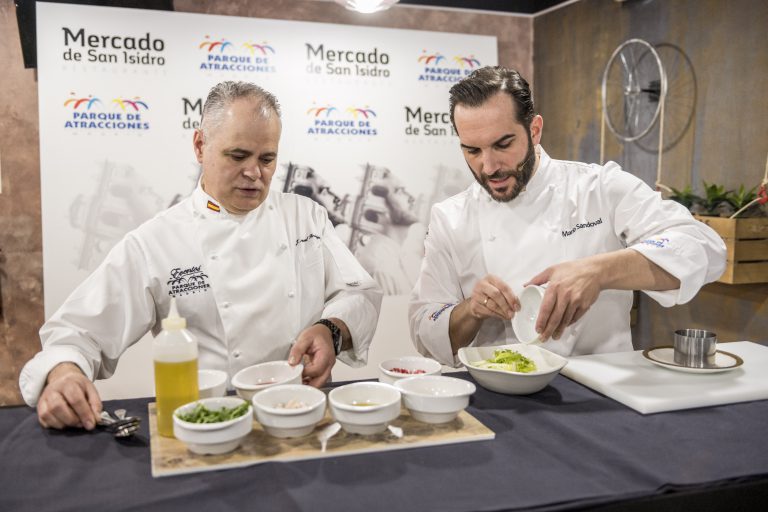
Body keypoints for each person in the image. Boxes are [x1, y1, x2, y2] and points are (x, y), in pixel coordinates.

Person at [20, 81, 382, 430]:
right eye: (237, 155)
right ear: (199, 145)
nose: (254, 173)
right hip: (214, 423)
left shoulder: (306, 216)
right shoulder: (156, 241)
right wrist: (64, 373)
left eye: (267, 158)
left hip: (305, 414)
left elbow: (359, 293)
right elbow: (78, 331)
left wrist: (331, 330)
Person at [408, 66, 726, 366]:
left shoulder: (599, 189)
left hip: (601, 394)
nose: (489, 167)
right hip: (499, 397)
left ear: (534, 130)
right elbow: (425, 330)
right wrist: (471, 310)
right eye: (472, 151)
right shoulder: (450, 218)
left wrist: (600, 271)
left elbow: (704, 247)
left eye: (503, 144)